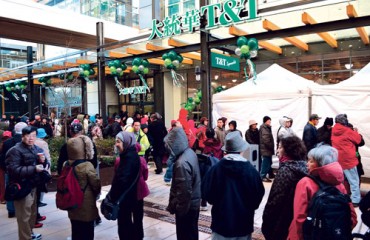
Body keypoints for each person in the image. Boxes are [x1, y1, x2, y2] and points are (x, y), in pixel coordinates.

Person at [202, 131, 265, 239]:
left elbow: (206, 193)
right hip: (244, 224)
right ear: (241, 150)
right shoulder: (250, 170)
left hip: (221, 224)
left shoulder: (216, 169)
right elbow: (258, 195)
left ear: (226, 150)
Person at [288, 145, 358, 239]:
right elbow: (353, 217)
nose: (307, 163)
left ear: (321, 164)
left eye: (311, 161)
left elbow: (299, 218)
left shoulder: (305, 183)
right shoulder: (340, 185)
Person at [6, 126, 48, 240]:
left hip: (33, 185)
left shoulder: (35, 148)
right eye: (28, 136)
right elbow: (13, 170)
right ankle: (25, 237)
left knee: (32, 214)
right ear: (23, 136)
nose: (31, 138)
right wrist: (34, 168)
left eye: (33, 136)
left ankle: (30, 234)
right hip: (22, 187)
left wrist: (43, 162)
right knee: (24, 216)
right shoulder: (15, 150)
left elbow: (44, 164)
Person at [262, 135, 308, 240]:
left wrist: (267, 222)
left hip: (282, 221)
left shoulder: (286, 170)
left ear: (288, 150)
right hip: (297, 218)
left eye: (280, 147)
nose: (278, 151)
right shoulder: (304, 166)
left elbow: (275, 201)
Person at [165, 127, 201, 240]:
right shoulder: (189, 152)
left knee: (185, 235)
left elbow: (184, 192)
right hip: (194, 204)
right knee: (192, 233)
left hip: (187, 208)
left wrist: (180, 210)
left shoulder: (181, 163)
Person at [65, 136, 101, 240]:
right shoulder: (86, 165)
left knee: (75, 229)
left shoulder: (66, 164)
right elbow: (96, 184)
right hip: (86, 203)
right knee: (87, 231)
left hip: (72, 202)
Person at [108, 131, 141, 239]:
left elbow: (122, 180)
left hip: (125, 199)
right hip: (128, 198)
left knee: (125, 227)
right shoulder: (129, 154)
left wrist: (111, 197)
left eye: (118, 142)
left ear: (126, 142)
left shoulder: (129, 158)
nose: (116, 144)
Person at [331, 114, 362, 206]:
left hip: (337, 159)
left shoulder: (333, 130)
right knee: (354, 181)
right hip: (348, 160)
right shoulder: (347, 130)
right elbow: (359, 140)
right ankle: (355, 200)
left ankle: (340, 196)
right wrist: (356, 132)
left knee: (339, 180)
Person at [0, 122, 28, 218]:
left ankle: (11, 210)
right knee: (24, 188)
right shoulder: (26, 141)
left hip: (10, 170)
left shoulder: (7, 142)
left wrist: (5, 168)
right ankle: (21, 209)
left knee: (10, 188)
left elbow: (3, 157)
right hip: (23, 170)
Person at [259, 116, 274, 182]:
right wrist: (271, 146)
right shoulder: (264, 128)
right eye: (268, 121)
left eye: (270, 120)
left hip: (267, 149)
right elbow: (266, 139)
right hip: (266, 149)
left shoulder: (267, 128)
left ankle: (270, 174)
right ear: (265, 121)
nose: (270, 122)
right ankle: (262, 176)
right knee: (266, 163)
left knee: (269, 162)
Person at [0, 130, 12, 204]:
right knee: (3, 183)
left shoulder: (3, 144)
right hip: (3, 166)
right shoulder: (7, 144)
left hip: (2, 166)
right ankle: (2, 198)